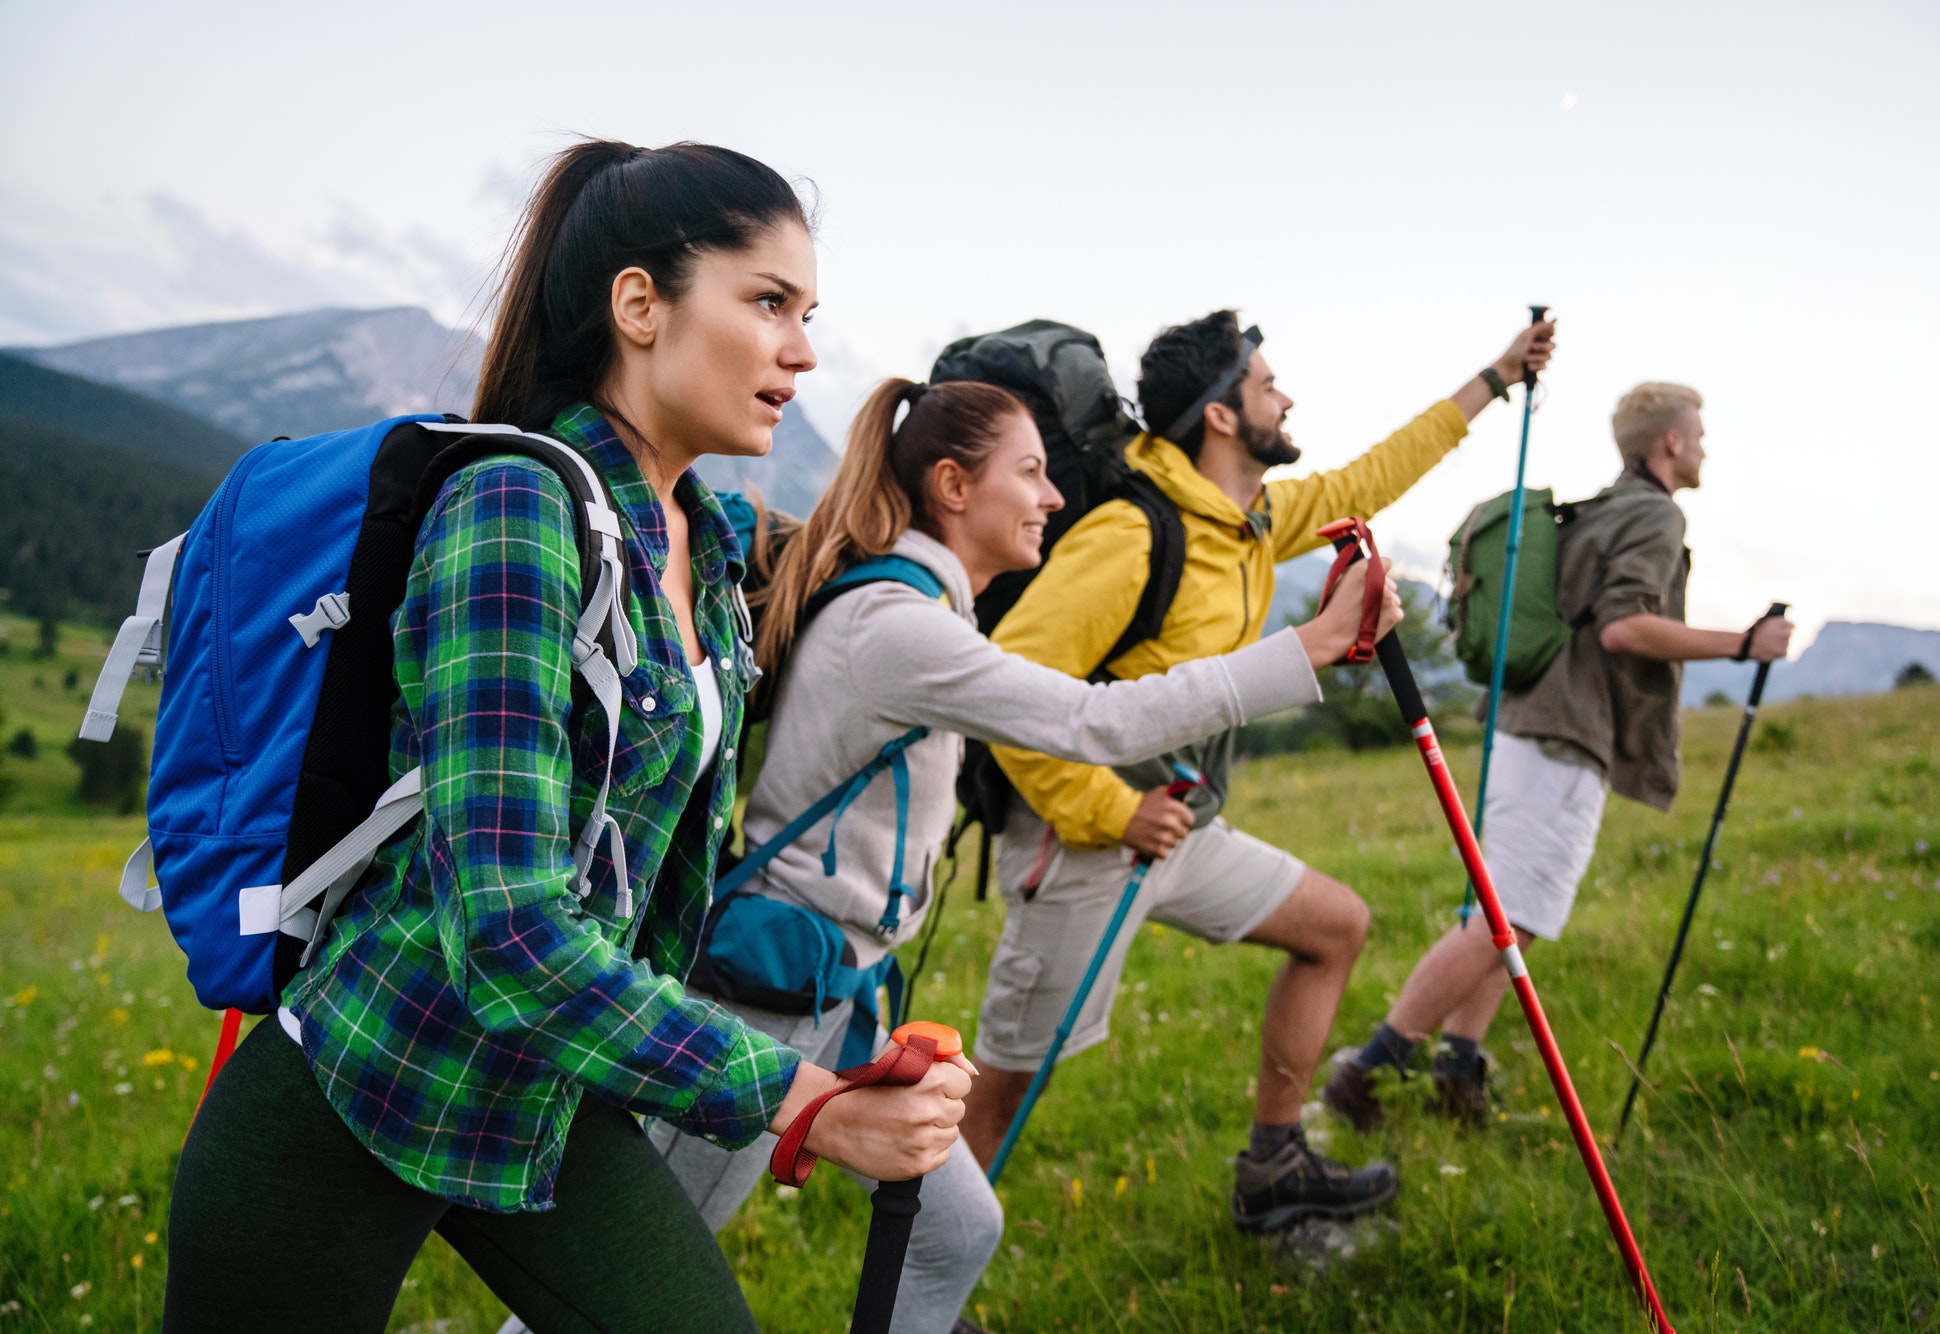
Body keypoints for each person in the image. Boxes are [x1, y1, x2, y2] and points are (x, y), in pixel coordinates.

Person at [163, 140, 971, 1334]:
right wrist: (801, 1098)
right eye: (766, 303)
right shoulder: (517, 509)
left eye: (808, 313)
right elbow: (507, 928)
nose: (802, 350)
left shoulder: (701, 541)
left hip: (542, 1086)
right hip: (360, 1088)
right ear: (638, 304)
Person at [647, 374, 1400, 1334]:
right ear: (955, 487)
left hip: (832, 991)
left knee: (958, 1229)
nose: (1053, 496)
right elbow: (1095, 720)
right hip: (770, 995)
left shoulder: (923, 610)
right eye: (1032, 472)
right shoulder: (897, 625)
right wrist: (1313, 646)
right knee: (643, 1285)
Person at [959, 309, 1557, 1234]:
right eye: (1267, 382)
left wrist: (1497, 376)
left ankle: (1273, 1167)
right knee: (1002, 1090)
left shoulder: (1250, 523)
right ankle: (907, 1298)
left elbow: (1374, 476)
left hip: (1181, 828)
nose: (1286, 396)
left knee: (1336, 927)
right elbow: (1005, 693)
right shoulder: (1132, 535)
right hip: (1080, 840)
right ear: (1224, 417)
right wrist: (1111, 811)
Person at [1325, 381, 1794, 1129]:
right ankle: (1371, 1072)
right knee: (1508, 918)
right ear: (1669, 441)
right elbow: (1623, 628)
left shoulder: (1599, 510)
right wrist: (1741, 645)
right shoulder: (1654, 516)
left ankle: (1458, 1069)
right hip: (1566, 733)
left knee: (1508, 908)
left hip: (1524, 722)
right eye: (1697, 434)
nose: (1703, 446)